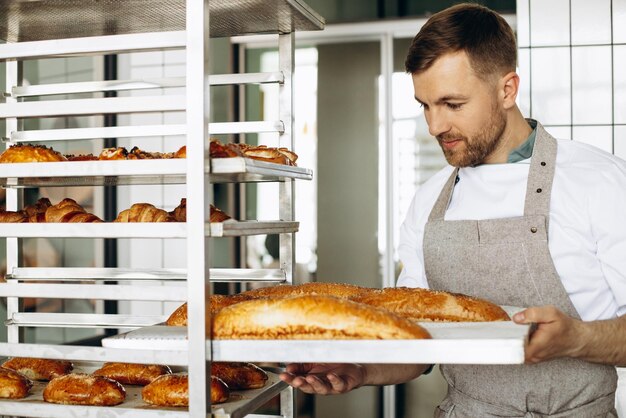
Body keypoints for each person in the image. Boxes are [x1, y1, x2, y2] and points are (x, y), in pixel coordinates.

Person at [279, 3, 626, 416]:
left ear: (507, 89)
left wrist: (577, 339)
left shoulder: (598, 181)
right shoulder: (429, 200)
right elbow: (419, 339)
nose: (434, 126)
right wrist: (361, 367)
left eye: (452, 104)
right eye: (425, 105)